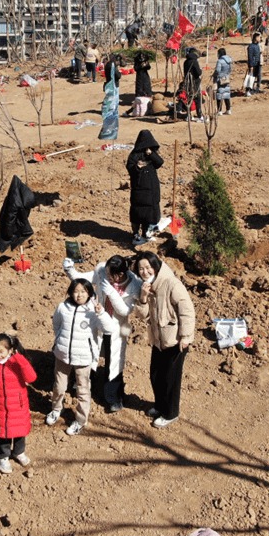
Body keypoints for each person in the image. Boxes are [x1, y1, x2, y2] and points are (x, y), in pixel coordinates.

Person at [63, 255, 142, 413]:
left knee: (114, 362)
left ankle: (113, 397)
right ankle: (80, 384)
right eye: (105, 272)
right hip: (97, 321)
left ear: (119, 275)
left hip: (116, 327)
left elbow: (125, 310)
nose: (105, 276)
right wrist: (70, 269)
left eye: (109, 274)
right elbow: (82, 278)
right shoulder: (102, 273)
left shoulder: (134, 285)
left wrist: (111, 293)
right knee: (88, 353)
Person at [132, 251, 195, 429]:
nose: (145, 271)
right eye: (141, 268)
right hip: (158, 340)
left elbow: (187, 310)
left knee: (170, 379)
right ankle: (160, 406)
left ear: (156, 266)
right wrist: (143, 298)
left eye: (148, 267)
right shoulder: (148, 286)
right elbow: (142, 315)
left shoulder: (171, 284)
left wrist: (186, 337)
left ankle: (170, 413)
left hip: (175, 341)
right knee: (156, 375)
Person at [46, 279, 112, 436]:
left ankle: (81, 420)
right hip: (62, 355)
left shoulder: (94, 311)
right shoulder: (63, 307)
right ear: (70, 292)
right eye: (76, 291)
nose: (79, 294)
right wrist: (60, 340)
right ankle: (56, 409)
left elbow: (109, 329)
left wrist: (101, 313)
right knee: (59, 386)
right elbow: (56, 324)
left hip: (83, 357)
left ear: (89, 293)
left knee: (83, 390)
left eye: (83, 291)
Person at [0, 334, 36, 473]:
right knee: (4, 434)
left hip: (19, 406)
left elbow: (31, 378)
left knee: (20, 431)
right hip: (1, 407)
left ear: (11, 350)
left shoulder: (17, 363)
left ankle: (19, 452)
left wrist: (20, 359)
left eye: (1, 351)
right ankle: (3, 457)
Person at [126, 130, 163, 246]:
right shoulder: (134, 155)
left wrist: (151, 154)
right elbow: (130, 169)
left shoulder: (151, 154)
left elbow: (159, 163)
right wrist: (137, 167)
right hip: (139, 190)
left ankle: (146, 232)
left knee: (149, 213)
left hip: (152, 189)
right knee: (138, 213)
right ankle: (136, 235)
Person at [182, 47, 204, 122]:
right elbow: (198, 72)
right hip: (195, 83)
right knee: (197, 100)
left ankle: (189, 116)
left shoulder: (185, 62)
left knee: (189, 99)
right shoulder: (194, 62)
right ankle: (200, 116)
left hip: (188, 83)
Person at [213, 48, 232, 115]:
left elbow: (217, 70)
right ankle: (228, 109)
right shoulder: (229, 60)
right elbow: (230, 70)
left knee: (219, 95)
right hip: (226, 78)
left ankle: (219, 110)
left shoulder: (220, 61)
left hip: (220, 79)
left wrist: (214, 75)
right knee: (226, 94)